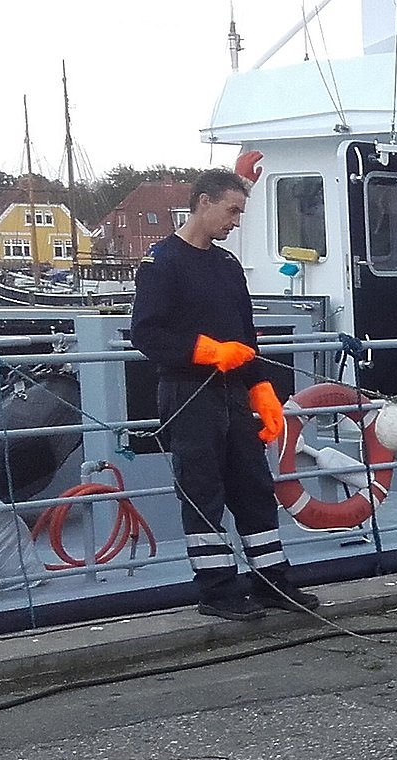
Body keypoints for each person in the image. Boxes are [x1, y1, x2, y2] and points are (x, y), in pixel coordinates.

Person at [131, 170, 321, 621]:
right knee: (203, 492)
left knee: (253, 486)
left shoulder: (228, 266)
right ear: (202, 203)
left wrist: (261, 389)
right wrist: (204, 350)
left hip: (233, 393)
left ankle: (273, 583)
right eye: (232, 210)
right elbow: (146, 333)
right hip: (188, 393)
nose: (236, 222)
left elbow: (245, 334)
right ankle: (217, 590)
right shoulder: (162, 264)